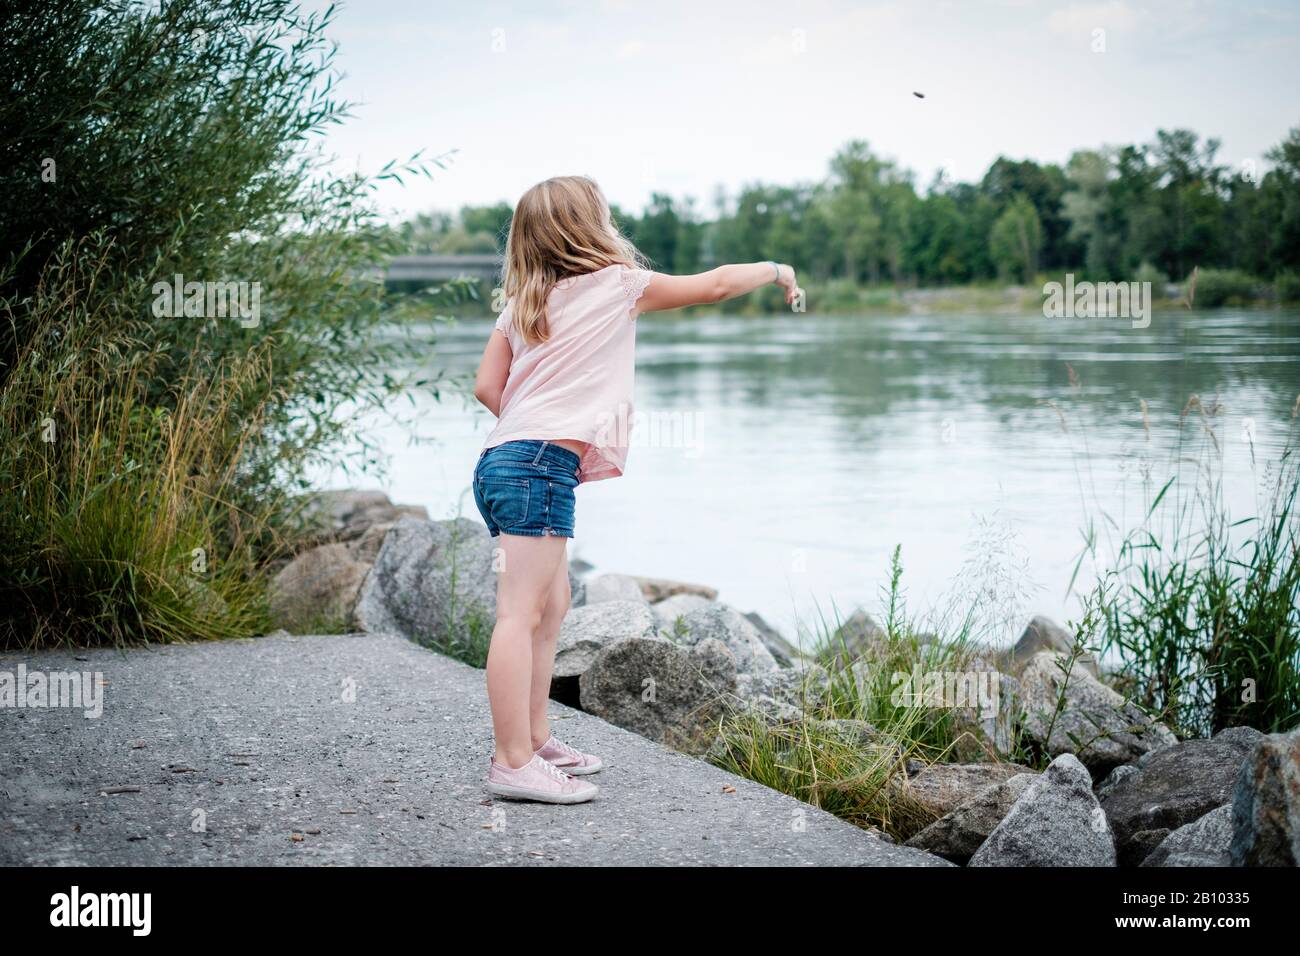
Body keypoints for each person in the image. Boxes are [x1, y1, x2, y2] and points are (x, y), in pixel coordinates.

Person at [472, 175, 801, 803]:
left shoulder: (521, 305)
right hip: (537, 465)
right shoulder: (618, 285)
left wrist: (532, 418)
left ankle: (537, 740)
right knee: (519, 612)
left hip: (505, 462)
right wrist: (778, 268)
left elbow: (488, 387)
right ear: (591, 225)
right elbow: (717, 285)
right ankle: (511, 761)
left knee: (551, 607)